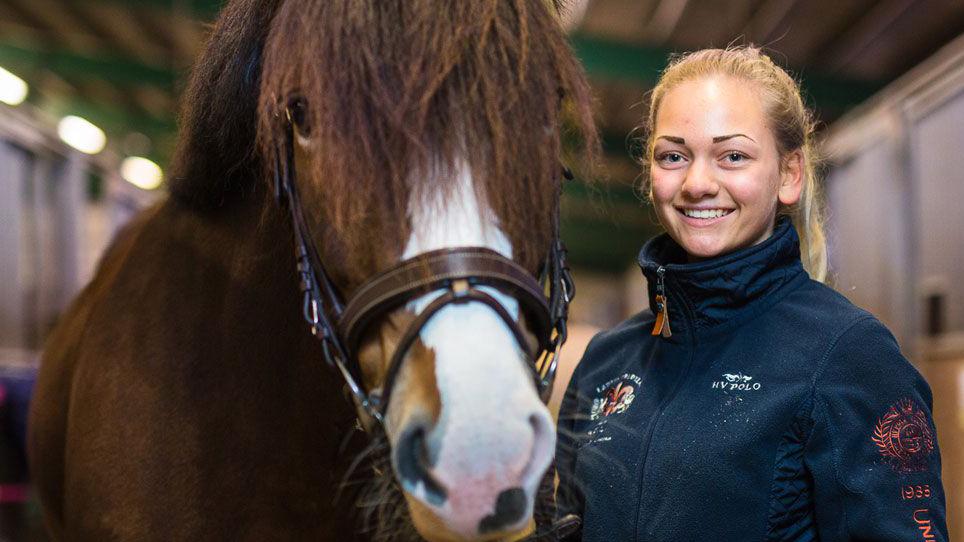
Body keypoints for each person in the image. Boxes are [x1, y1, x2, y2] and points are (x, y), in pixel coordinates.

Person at [555, 46, 948, 541]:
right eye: (673, 156)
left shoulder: (851, 356)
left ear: (789, 175)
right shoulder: (606, 360)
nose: (698, 183)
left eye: (733, 156)